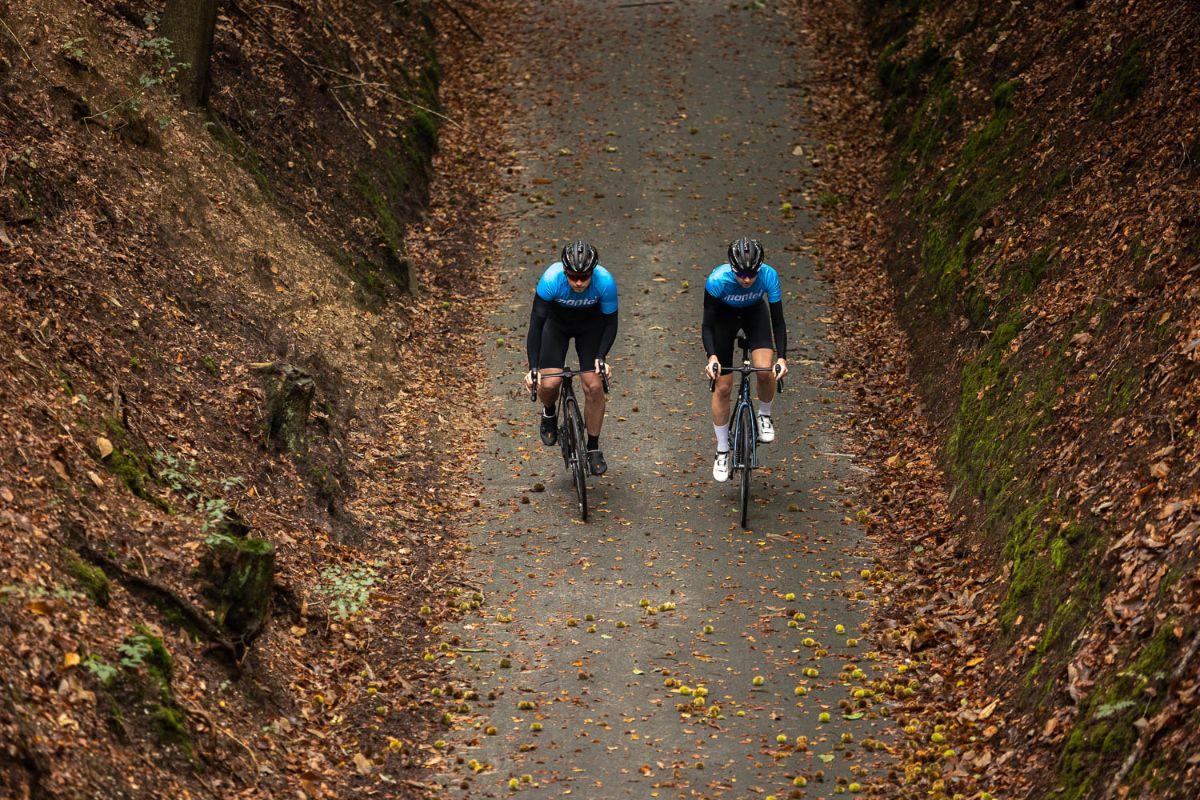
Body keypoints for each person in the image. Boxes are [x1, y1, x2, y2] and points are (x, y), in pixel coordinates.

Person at [524, 240, 618, 476]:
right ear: (564, 272)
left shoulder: (605, 282)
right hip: (556, 327)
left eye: (584, 277)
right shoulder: (551, 279)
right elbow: (536, 325)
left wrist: (601, 356)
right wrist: (533, 367)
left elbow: (610, 323)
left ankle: (593, 447)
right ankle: (549, 412)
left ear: (592, 273)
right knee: (550, 383)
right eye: (573, 276)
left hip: (591, 327)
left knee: (594, 386)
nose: (578, 282)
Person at [701, 237, 789, 482]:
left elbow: (778, 322)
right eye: (741, 273)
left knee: (764, 370)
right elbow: (707, 325)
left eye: (752, 274)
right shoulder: (717, 280)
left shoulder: (769, 276)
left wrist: (782, 357)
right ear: (732, 267)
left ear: (759, 268)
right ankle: (722, 451)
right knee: (723, 386)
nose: (747, 279)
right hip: (724, 320)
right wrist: (712, 357)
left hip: (754, 315)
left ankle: (764, 414)